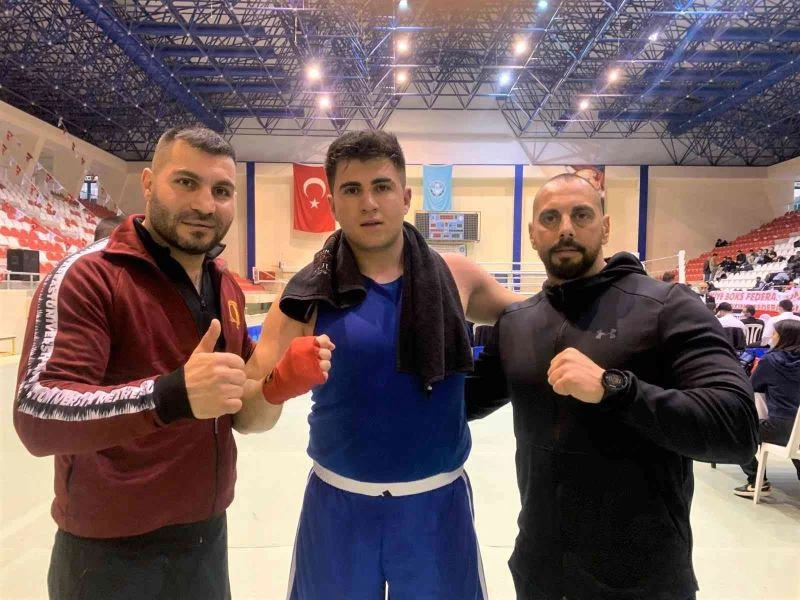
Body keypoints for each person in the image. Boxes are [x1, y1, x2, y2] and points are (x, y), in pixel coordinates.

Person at [14, 126, 331, 600]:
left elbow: (243, 417)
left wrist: (278, 383)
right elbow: (37, 415)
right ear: (148, 183)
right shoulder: (87, 277)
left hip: (205, 540)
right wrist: (170, 394)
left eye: (221, 190)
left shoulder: (225, 287)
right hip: (107, 554)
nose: (205, 204)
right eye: (186, 182)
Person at [242, 130, 521, 599]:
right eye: (352, 189)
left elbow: (537, 321)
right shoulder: (304, 297)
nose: (369, 203)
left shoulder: (456, 276)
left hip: (438, 510)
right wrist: (277, 384)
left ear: (406, 197)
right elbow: (248, 417)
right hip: (338, 511)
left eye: (382, 187)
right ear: (332, 203)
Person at [465, 173, 758, 600]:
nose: (565, 228)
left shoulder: (667, 307)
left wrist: (616, 388)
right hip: (540, 572)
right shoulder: (516, 322)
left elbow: (736, 429)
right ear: (532, 233)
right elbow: (456, 402)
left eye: (581, 215)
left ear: (604, 228)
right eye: (550, 217)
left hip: (643, 580)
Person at [735, 319, 800, 497]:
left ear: (784, 338)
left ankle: (756, 480)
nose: (771, 337)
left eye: (774, 334)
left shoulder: (771, 361)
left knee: (738, 431)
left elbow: (753, 386)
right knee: (795, 439)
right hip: (796, 429)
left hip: (781, 427)